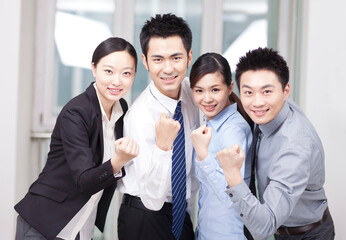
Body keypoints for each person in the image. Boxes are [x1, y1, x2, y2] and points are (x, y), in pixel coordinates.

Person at [14, 37, 139, 240]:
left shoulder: (121, 109)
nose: (117, 81)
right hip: (44, 222)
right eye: (109, 71)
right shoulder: (77, 111)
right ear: (93, 68)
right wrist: (119, 161)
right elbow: (85, 181)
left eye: (126, 73)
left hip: (81, 225)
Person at [217, 47, 335, 240]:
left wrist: (231, 174)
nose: (257, 102)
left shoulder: (294, 146)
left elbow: (264, 228)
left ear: (285, 91)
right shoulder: (268, 112)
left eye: (267, 91)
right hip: (283, 230)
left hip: (308, 234)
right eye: (248, 92)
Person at [117, 13, 199, 240]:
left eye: (176, 57)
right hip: (145, 216)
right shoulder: (140, 116)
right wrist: (163, 145)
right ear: (145, 61)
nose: (168, 68)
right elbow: (151, 198)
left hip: (180, 213)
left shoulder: (192, 94)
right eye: (158, 59)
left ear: (189, 56)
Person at [189, 52, 253, 240]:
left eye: (215, 90)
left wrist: (203, 154)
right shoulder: (211, 122)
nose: (207, 99)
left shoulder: (232, 129)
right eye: (199, 91)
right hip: (208, 231)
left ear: (230, 87)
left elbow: (231, 196)